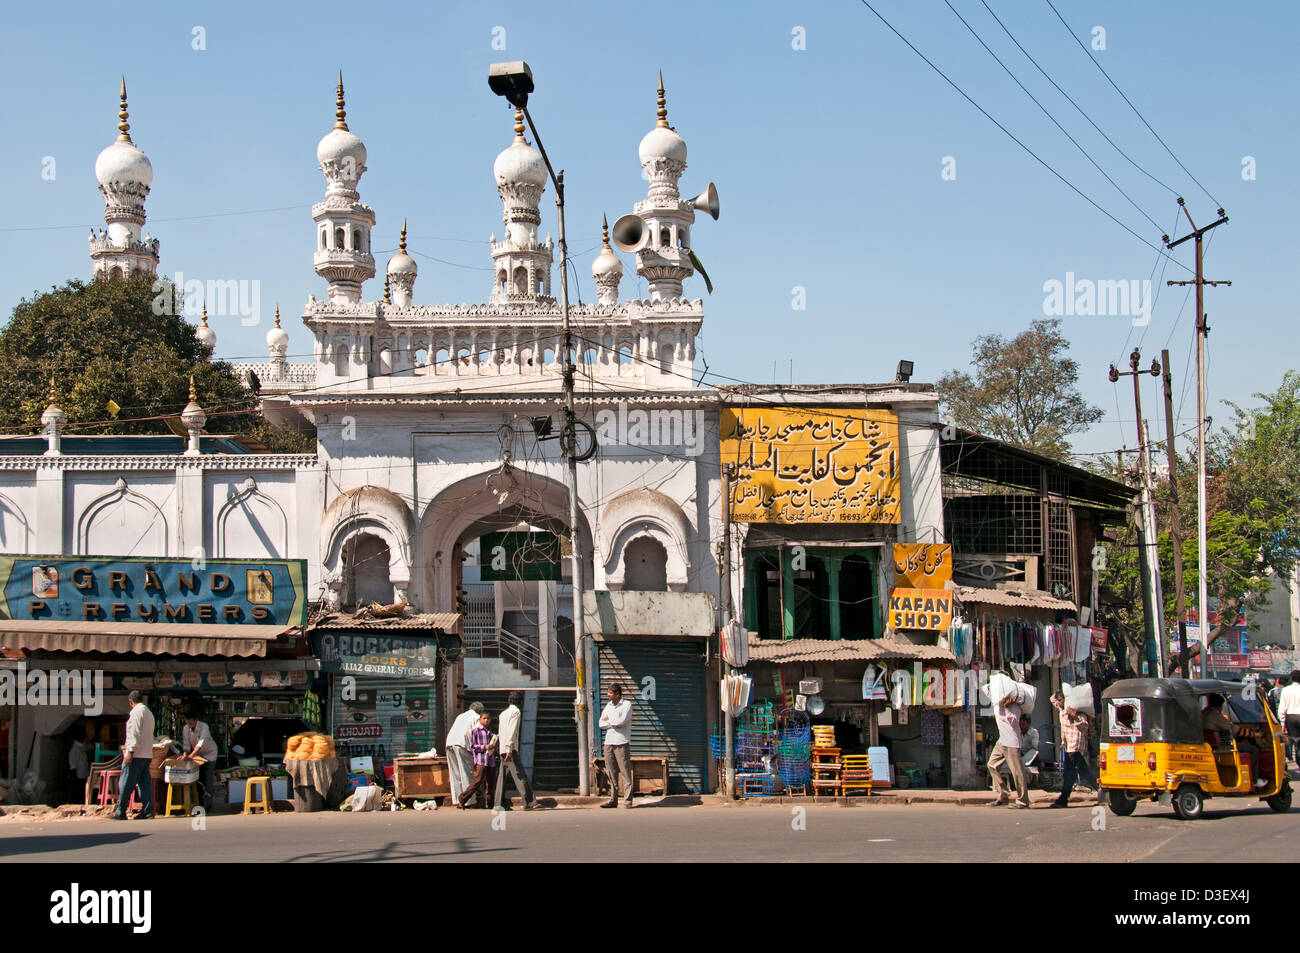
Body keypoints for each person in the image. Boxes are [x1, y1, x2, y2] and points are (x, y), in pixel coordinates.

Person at [1202, 693, 1267, 789]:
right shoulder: (1215, 715)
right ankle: (1254, 780)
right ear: (1219, 706)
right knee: (1253, 749)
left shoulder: (1204, 713)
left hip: (1211, 745)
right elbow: (1235, 730)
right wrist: (1256, 734)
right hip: (1222, 747)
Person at [1050, 691, 1098, 808]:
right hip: (1069, 746)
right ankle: (1102, 792)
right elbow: (1052, 699)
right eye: (1058, 701)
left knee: (1071, 773)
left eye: (1060, 701)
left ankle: (1063, 799)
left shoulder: (1078, 712)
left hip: (1075, 745)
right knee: (1079, 772)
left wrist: (1074, 716)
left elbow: (1084, 725)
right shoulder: (1063, 710)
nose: (1058, 703)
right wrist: (1058, 695)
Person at [114, 690, 155, 820]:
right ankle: (148, 810)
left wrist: (130, 752)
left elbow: (134, 733)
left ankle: (120, 811)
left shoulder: (136, 713)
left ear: (131, 702)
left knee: (126, 782)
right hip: (147, 754)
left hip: (136, 754)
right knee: (144, 784)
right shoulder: (148, 713)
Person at [494, 691, 537, 811]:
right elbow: (512, 731)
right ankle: (529, 802)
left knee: (501, 777)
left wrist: (503, 748)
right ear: (520, 702)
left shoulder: (503, 714)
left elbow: (502, 732)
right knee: (520, 775)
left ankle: (498, 803)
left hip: (503, 747)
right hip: (510, 749)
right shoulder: (515, 712)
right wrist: (509, 748)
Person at [986, 692, 1029, 809]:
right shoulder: (997, 702)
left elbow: (1014, 721)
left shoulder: (1013, 704)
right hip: (1002, 740)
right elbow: (987, 690)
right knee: (992, 765)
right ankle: (1003, 794)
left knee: (1017, 771)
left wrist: (1006, 707)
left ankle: (1023, 800)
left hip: (1011, 740)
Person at [598, 683, 634, 808]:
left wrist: (610, 722)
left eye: (610, 693)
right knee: (611, 772)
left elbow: (622, 722)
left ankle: (628, 800)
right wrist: (612, 723)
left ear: (617, 694)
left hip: (621, 742)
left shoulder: (626, 705)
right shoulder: (608, 706)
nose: (608, 695)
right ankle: (613, 799)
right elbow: (601, 723)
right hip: (609, 742)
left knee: (625, 772)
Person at [457, 711, 498, 809]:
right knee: (478, 781)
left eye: (488, 719)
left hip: (491, 760)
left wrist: (494, 748)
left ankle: (490, 803)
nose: (486, 720)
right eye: (484, 718)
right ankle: (462, 799)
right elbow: (474, 746)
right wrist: (485, 747)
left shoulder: (491, 732)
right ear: (480, 720)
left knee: (491, 783)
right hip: (481, 760)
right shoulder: (476, 731)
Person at [444, 701, 483, 805]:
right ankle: (468, 801)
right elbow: (478, 734)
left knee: (455, 774)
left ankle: (457, 800)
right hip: (461, 745)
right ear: (479, 711)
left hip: (450, 743)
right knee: (466, 773)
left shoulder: (461, 716)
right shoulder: (476, 717)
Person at [182, 710, 218, 811]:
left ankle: (208, 804)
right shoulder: (186, 728)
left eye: (191, 723)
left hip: (209, 754)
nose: (189, 725)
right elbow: (186, 745)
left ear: (196, 720)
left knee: (207, 779)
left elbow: (200, 744)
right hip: (197, 756)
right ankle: (199, 802)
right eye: (187, 723)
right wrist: (185, 755)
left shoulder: (204, 726)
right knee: (197, 779)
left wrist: (190, 756)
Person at [1276, 670, 1300, 764]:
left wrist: (1282, 722)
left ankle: (1289, 758)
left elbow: (1282, 708)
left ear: (1291, 679)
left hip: (1291, 718)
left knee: (1293, 741)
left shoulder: (1286, 690)